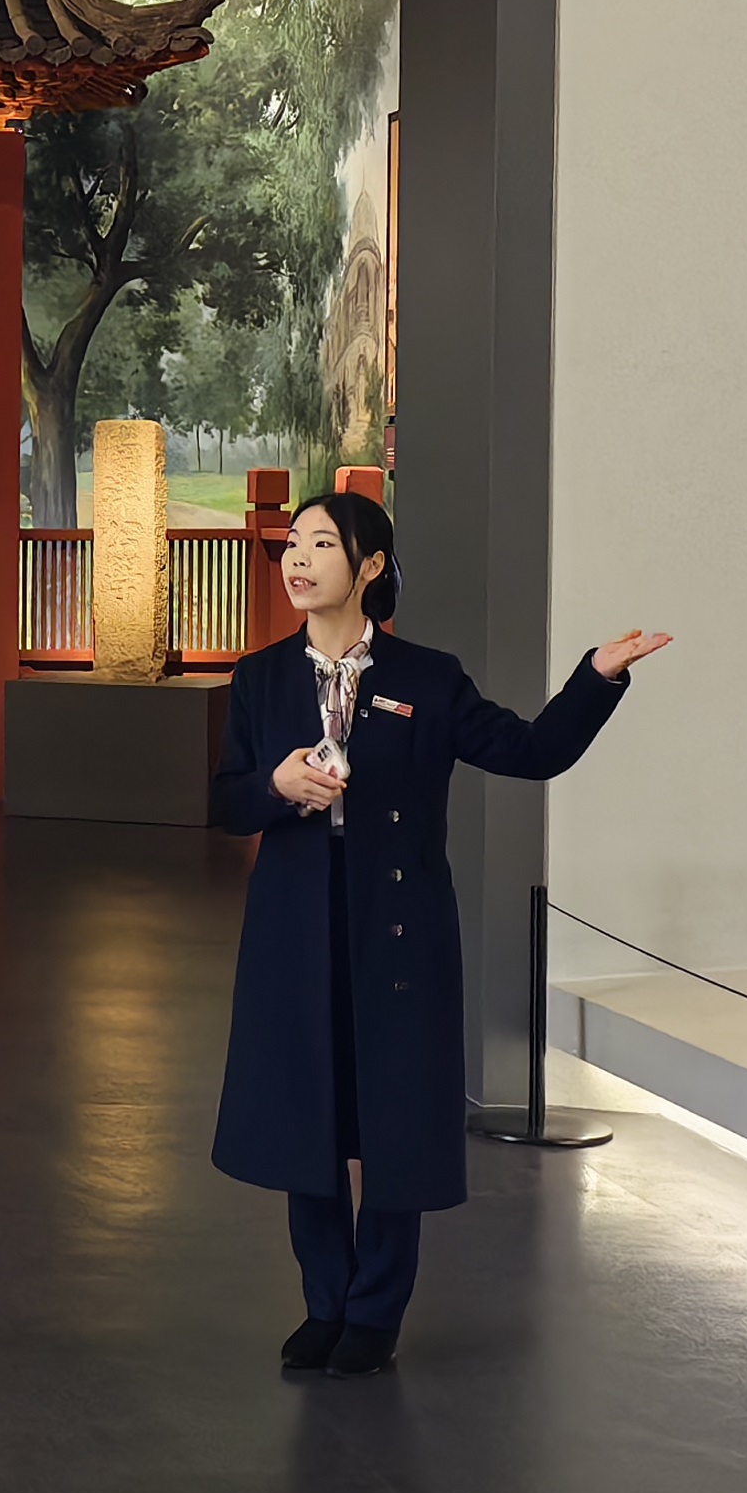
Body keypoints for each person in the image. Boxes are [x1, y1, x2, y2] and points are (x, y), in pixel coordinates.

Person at [207, 488, 670, 1377]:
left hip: (399, 929)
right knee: (308, 1114)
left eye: (321, 544)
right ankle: (324, 1302)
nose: (297, 559)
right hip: (294, 928)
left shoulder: (427, 678)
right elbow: (226, 801)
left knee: (394, 1120)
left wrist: (597, 677)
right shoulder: (260, 677)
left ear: (371, 565)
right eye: (292, 543)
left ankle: (375, 1313)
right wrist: (276, 787)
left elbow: (532, 752)